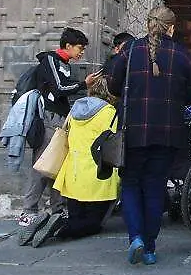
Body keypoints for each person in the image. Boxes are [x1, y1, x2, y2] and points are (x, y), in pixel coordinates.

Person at [109, 6, 191, 265]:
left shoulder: (129, 50)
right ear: (172, 27)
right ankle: (149, 247)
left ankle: (135, 237)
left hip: (133, 131)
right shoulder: (181, 55)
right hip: (168, 133)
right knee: (154, 186)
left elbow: (114, 86)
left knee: (129, 184)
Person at [18, 27, 98, 243]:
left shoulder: (64, 64)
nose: (81, 53)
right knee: (43, 164)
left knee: (58, 166)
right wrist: (84, 84)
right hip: (50, 119)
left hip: (60, 119)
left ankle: (57, 209)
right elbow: (60, 87)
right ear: (68, 46)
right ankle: (28, 210)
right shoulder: (51, 61)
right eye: (80, 48)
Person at [30, 76, 123, 248]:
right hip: (97, 175)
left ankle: (46, 222)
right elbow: (115, 144)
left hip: (72, 175)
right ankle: (58, 227)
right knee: (93, 224)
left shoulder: (76, 109)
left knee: (77, 216)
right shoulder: (110, 112)